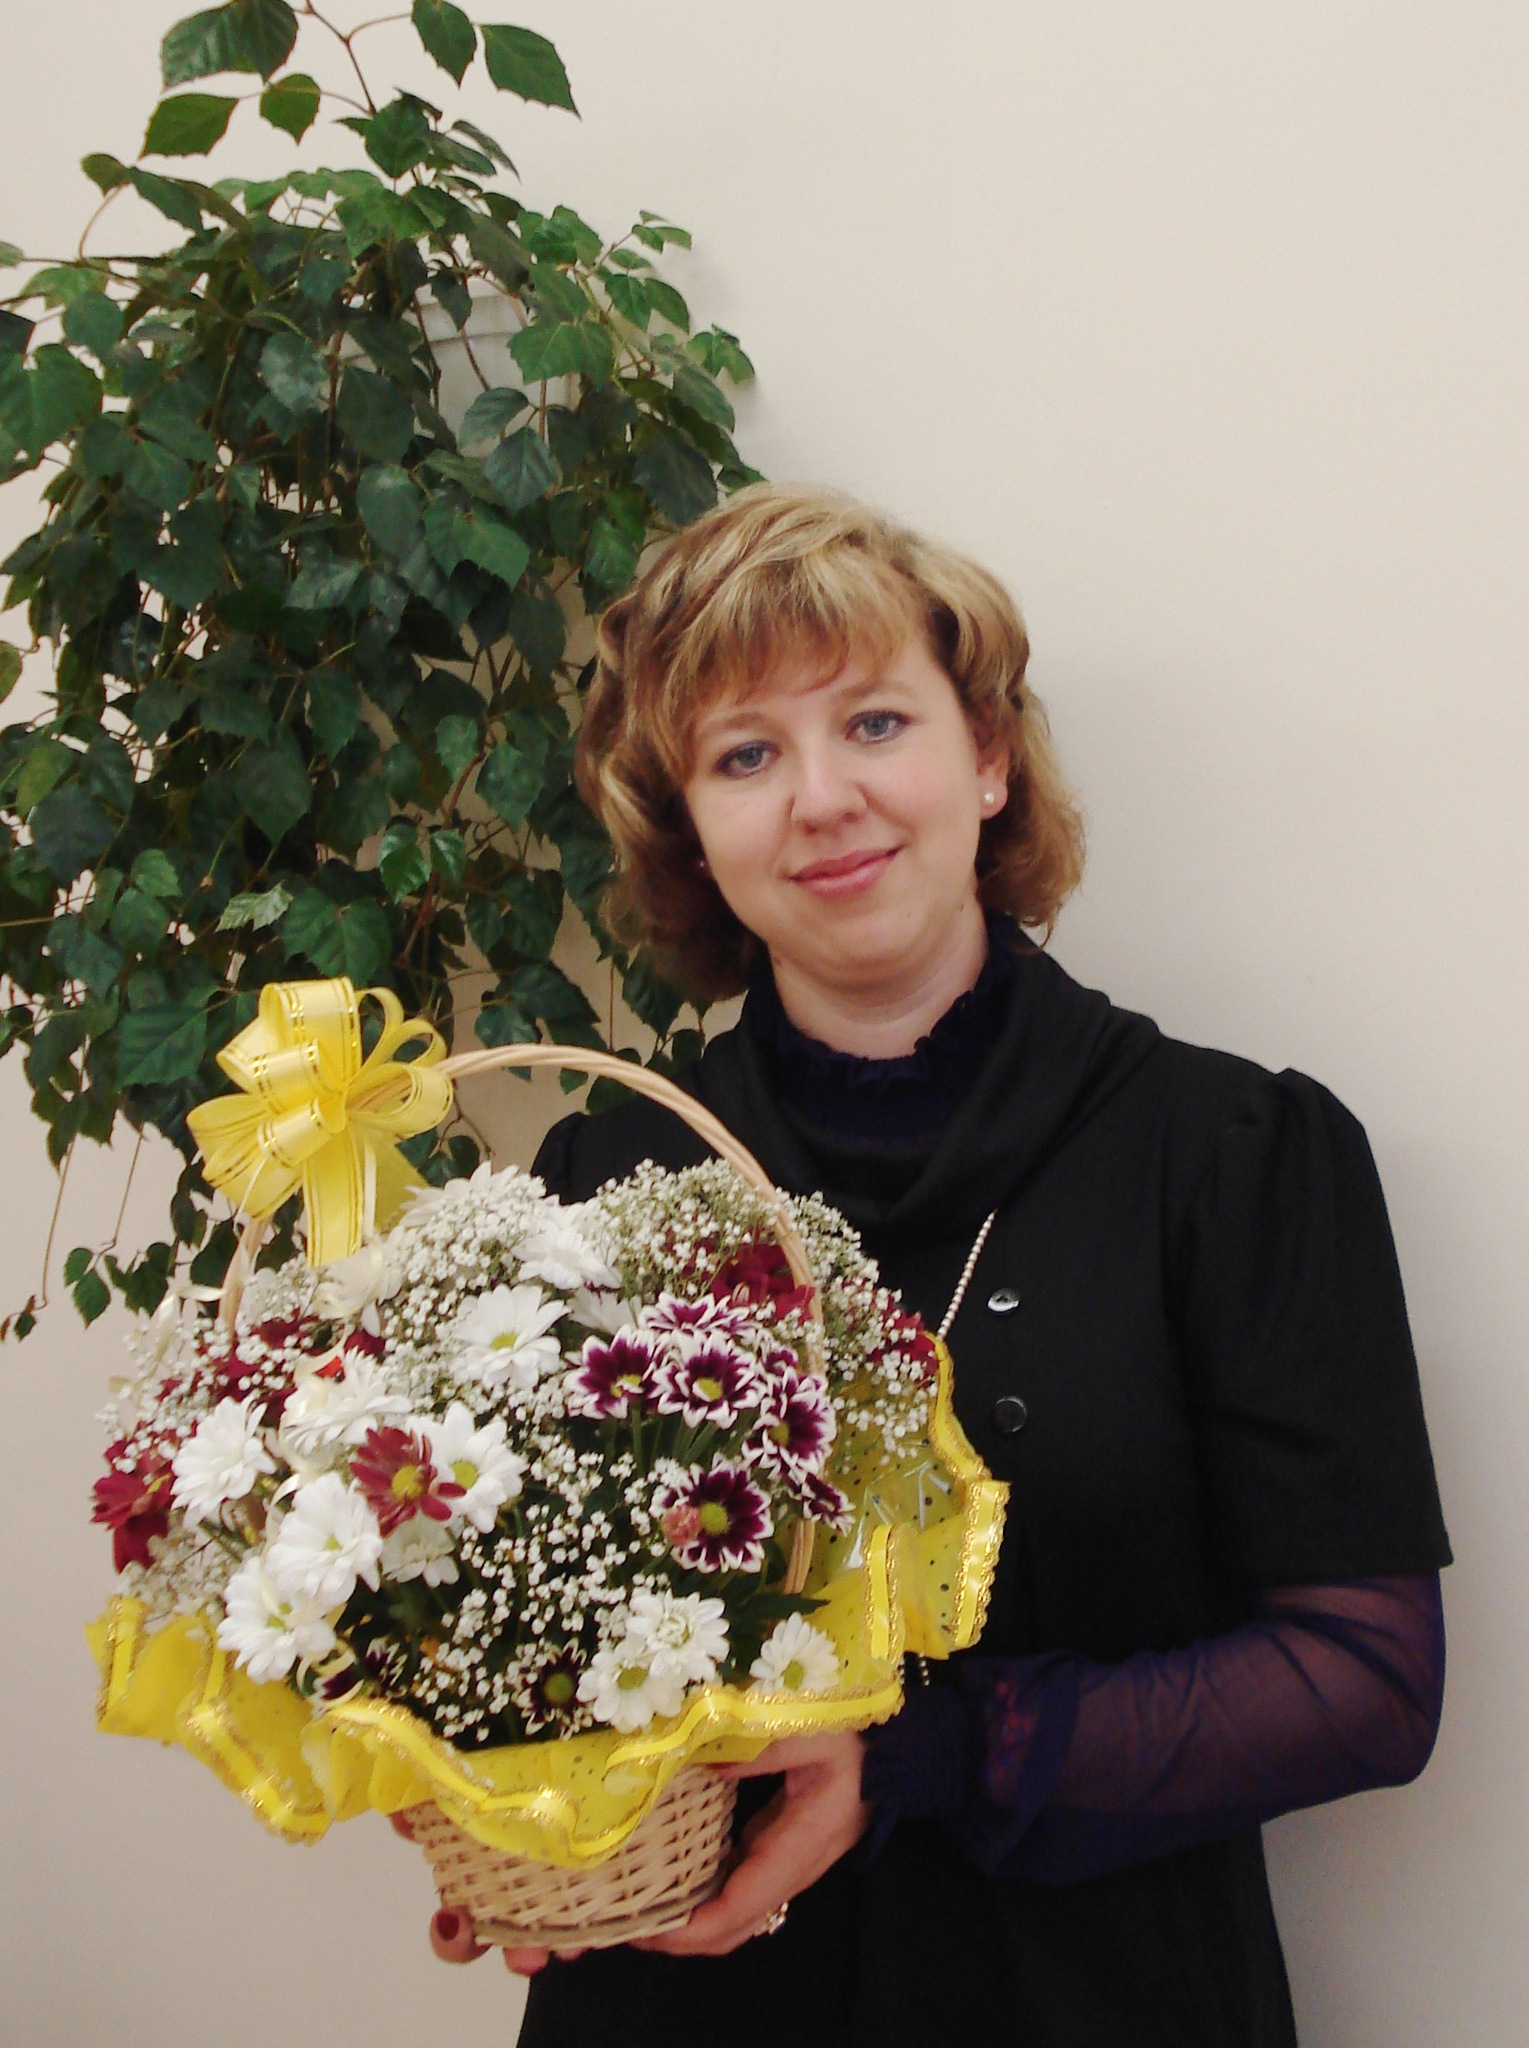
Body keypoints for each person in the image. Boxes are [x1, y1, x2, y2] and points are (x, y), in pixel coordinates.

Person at [424, 485, 1451, 2045]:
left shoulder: (1233, 1155)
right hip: (689, 2005)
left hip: (1098, 2002)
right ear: (690, 828)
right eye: (744, 755)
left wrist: (921, 1754)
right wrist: (491, 1784)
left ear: (986, 758)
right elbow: (526, 1633)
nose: (820, 798)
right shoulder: (599, 1183)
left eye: (873, 723)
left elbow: (1362, 1680)